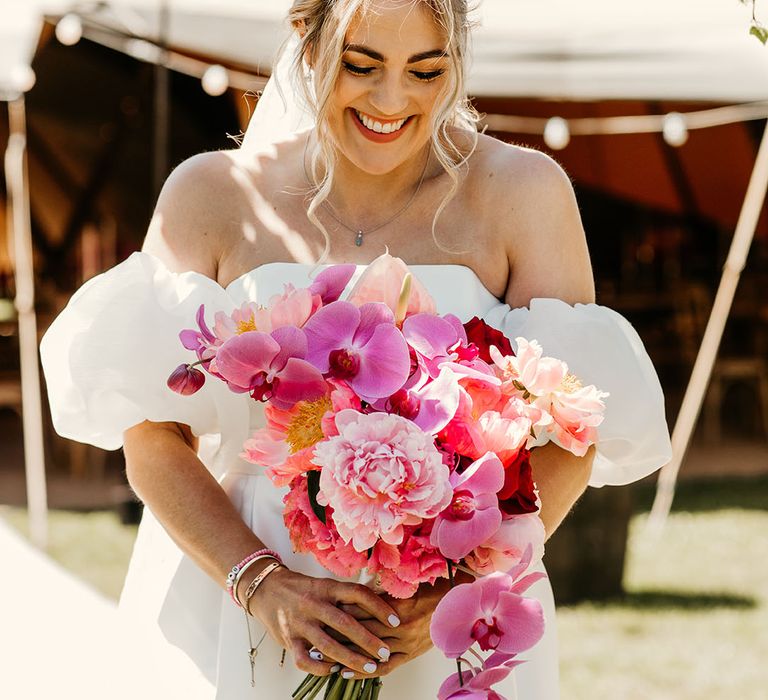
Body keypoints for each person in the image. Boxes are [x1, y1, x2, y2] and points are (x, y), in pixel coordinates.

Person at [40, 1, 672, 698]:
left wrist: (459, 591)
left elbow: (571, 432)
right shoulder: (210, 196)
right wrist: (263, 583)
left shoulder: (523, 194)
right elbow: (152, 435)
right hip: (241, 592)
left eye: (425, 70)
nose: (391, 99)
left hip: (450, 613)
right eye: (361, 65)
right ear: (308, 49)